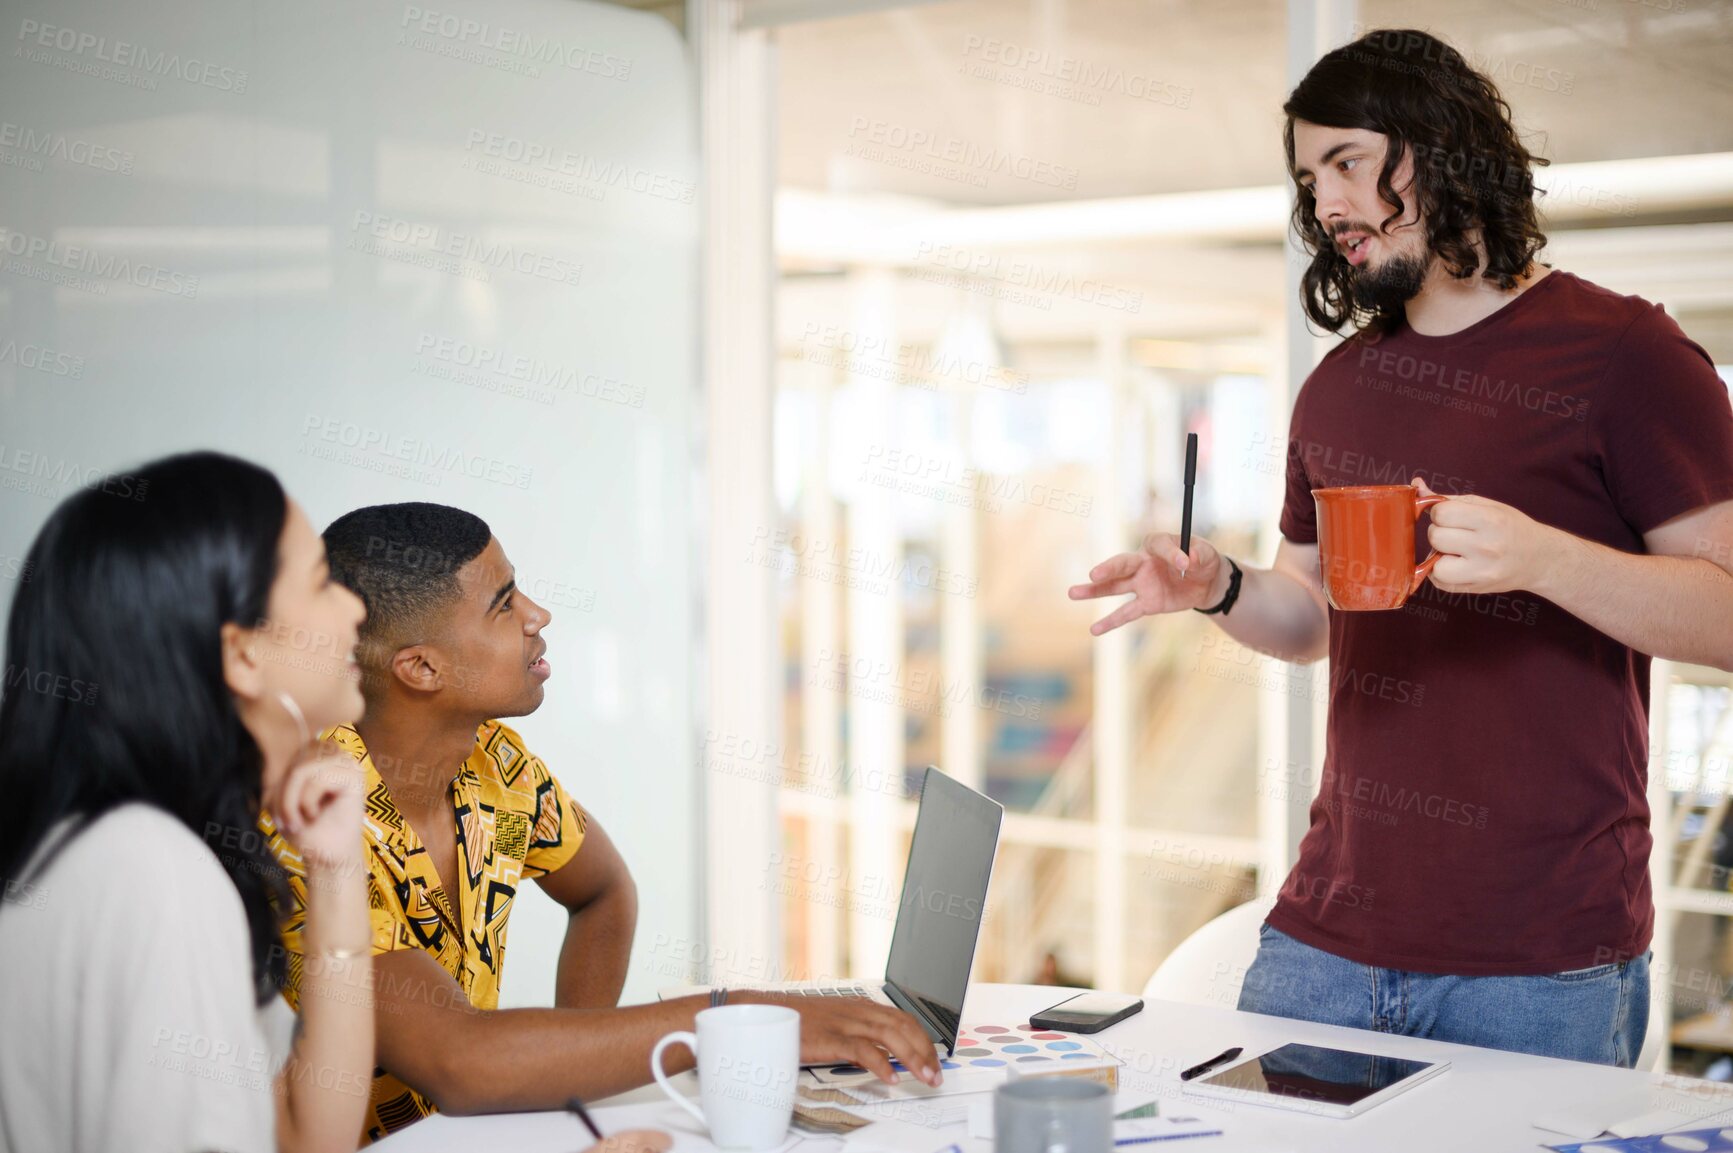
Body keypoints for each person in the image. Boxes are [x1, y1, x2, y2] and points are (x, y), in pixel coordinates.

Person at [1071, 28, 1733, 1068]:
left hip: (1541, 964)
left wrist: (1543, 559)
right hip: (1320, 940)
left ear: (1439, 147)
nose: (1325, 203)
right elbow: (1309, 615)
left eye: (1345, 161)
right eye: (1306, 176)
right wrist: (1217, 584)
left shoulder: (1626, 355)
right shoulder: (1335, 386)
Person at [261, 502, 943, 1143]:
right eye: (503, 605)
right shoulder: (310, 816)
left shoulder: (498, 762)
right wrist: (729, 1014)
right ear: (420, 666)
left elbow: (602, 891)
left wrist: (567, 1067)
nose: (537, 614)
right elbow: (458, 1060)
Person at [0, 452, 374, 1153]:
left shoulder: (107, 848)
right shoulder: (156, 870)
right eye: (322, 581)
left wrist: (335, 871)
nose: (354, 605)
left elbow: (305, 1135)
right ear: (242, 654)